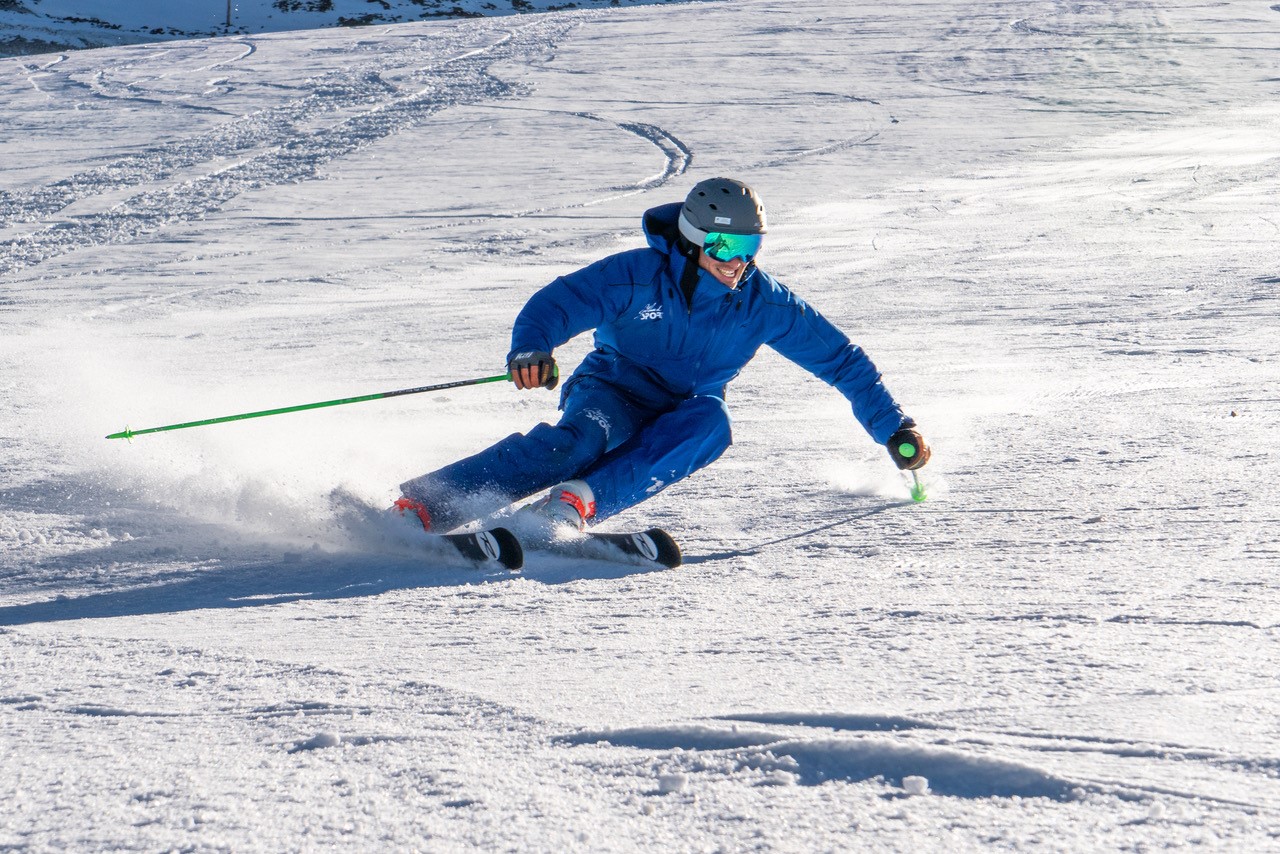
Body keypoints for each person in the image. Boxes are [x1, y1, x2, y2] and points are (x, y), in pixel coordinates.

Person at [395, 177, 930, 534]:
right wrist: (533, 348)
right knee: (581, 440)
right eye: (724, 249)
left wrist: (894, 427)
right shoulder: (638, 275)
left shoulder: (764, 304)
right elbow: (560, 302)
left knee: (712, 425)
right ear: (695, 242)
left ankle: (572, 505)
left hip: (684, 407)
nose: (736, 263)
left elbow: (840, 360)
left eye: (748, 249)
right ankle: (426, 506)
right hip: (610, 389)